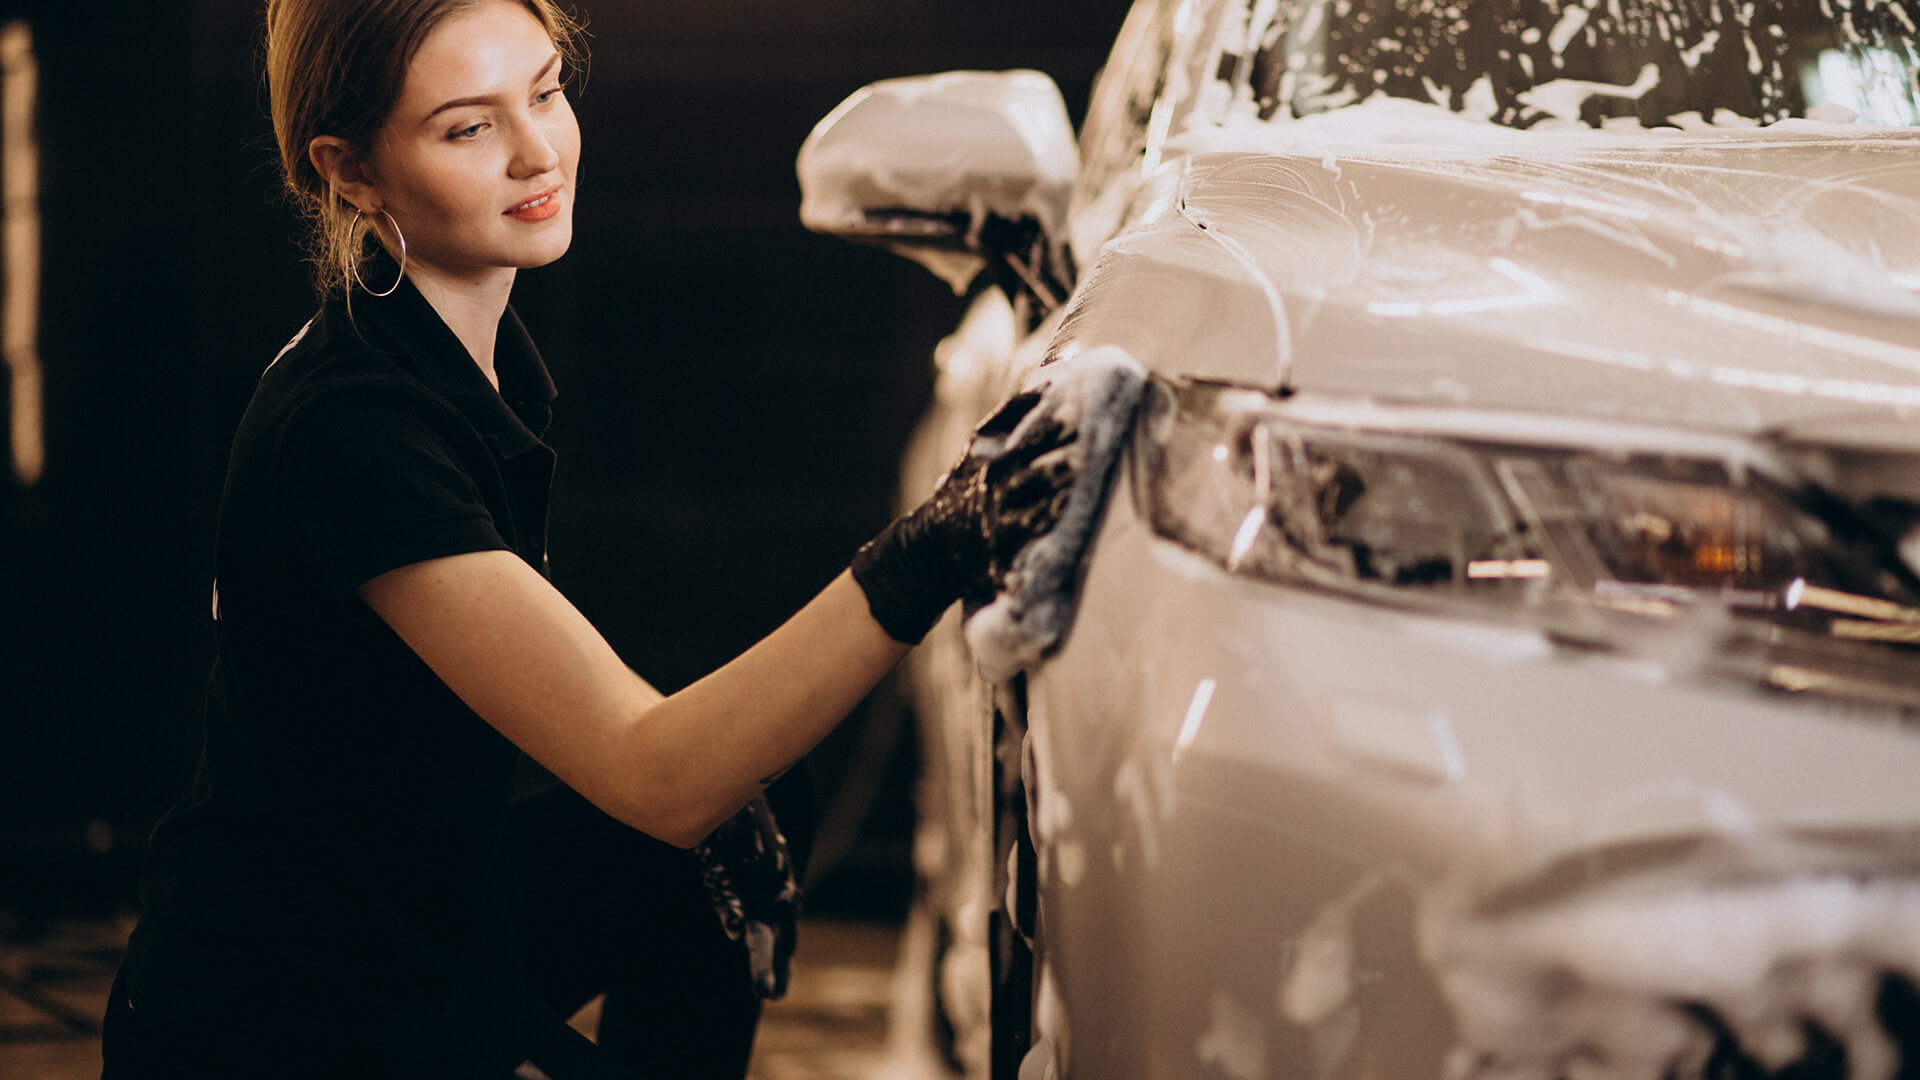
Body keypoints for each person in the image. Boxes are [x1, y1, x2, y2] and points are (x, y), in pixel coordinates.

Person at [97, 1, 1076, 1076]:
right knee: (692, 799)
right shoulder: (352, 431)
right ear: (353, 171)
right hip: (276, 1019)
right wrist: (930, 548)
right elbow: (651, 771)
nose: (536, 152)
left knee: (742, 813)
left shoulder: (461, 357)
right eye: (469, 128)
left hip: (414, 933)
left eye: (547, 91)